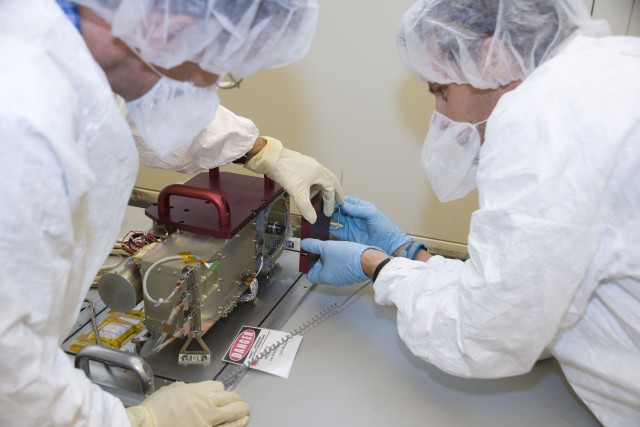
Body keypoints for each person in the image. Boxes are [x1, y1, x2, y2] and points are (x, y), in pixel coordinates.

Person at [0, 0, 343, 426]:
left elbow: (144, 110)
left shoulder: (77, 46)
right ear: (169, 29)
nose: (210, 85)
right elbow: (9, 364)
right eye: (217, 68)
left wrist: (259, 150)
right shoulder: (22, 122)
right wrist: (135, 421)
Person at [300, 0, 640, 425]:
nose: (442, 115)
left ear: (493, 56)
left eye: (441, 90)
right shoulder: (609, 68)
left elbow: (481, 336)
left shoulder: (543, 120)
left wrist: (378, 266)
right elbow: (532, 291)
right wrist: (408, 251)